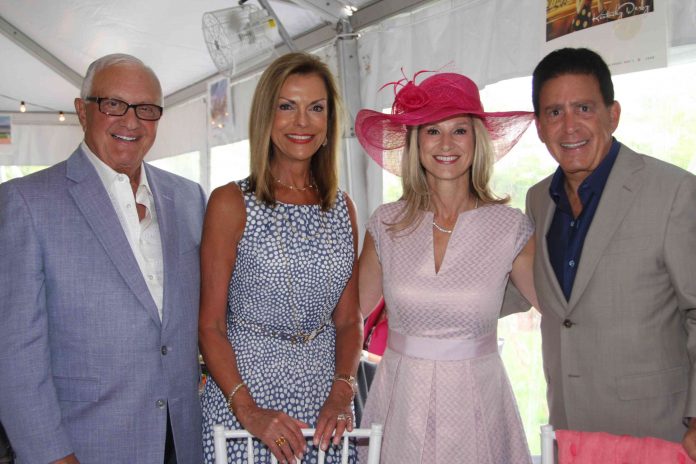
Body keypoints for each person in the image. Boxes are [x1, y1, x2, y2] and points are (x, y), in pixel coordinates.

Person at [0, 54, 206, 463]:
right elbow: (14, 353)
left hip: (183, 443)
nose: (131, 121)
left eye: (146, 109)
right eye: (113, 104)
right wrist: (51, 456)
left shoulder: (189, 197)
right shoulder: (27, 202)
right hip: (85, 447)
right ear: (82, 111)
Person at [355, 70, 538, 463]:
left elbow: (563, 309)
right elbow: (348, 312)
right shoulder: (386, 223)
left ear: (477, 140)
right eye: (432, 131)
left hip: (479, 405)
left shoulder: (510, 227)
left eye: (459, 130)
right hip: (401, 403)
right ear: (416, 142)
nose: (446, 144)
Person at [524, 47, 696, 456]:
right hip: (569, 432)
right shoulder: (538, 200)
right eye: (554, 112)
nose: (569, 126)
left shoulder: (674, 191)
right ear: (539, 127)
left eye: (583, 108)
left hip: (657, 433)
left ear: (612, 114)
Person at [198, 52, 362, 464]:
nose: (302, 122)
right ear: (265, 117)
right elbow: (210, 326)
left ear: (330, 122)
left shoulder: (343, 208)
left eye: (316, 108)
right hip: (246, 404)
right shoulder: (230, 202)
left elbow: (348, 320)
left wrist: (342, 393)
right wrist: (248, 410)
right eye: (287, 106)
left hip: (326, 408)